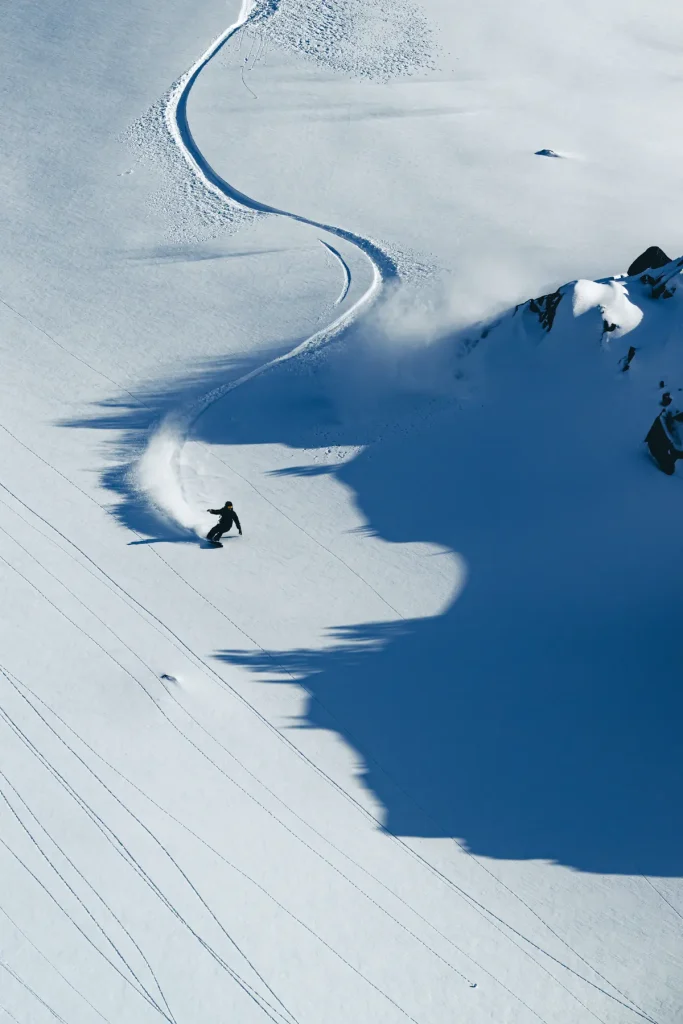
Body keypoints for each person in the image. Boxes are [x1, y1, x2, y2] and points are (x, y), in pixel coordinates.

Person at [645, 392, 683, 475]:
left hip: (667, 439)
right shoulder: (662, 426)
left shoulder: (672, 416)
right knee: (669, 469)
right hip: (656, 444)